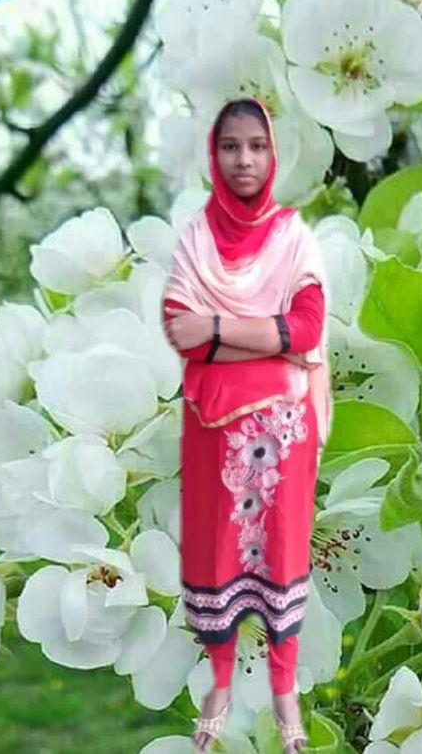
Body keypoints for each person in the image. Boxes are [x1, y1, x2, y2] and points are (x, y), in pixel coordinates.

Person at [160, 97, 332, 753]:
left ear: (272, 154)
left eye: (257, 146)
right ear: (214, 155)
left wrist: (221, 331)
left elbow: (308, 329)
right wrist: (266, 340)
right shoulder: (196, 240)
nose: (244, 159)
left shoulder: (293, 238)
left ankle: (284, 697)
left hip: (281, 430)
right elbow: (181, 330)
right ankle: (221, 687)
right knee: (219, 555)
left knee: (280, 552)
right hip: (217, 429)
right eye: (230, 146)